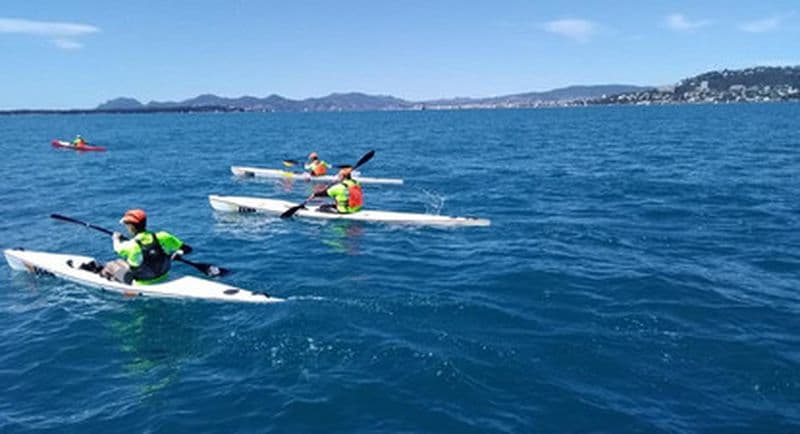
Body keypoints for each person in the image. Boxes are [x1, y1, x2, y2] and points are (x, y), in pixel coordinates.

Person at [97, 209, 192, 285]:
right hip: (164, 275)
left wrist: (115, 238)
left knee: (112, 264)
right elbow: (187, 249)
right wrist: (176, 254)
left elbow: (117, 248)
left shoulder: (131, 245)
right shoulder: (163, 236)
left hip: (143, 282)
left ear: (131, 227)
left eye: (127, 225)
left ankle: (106, 277)